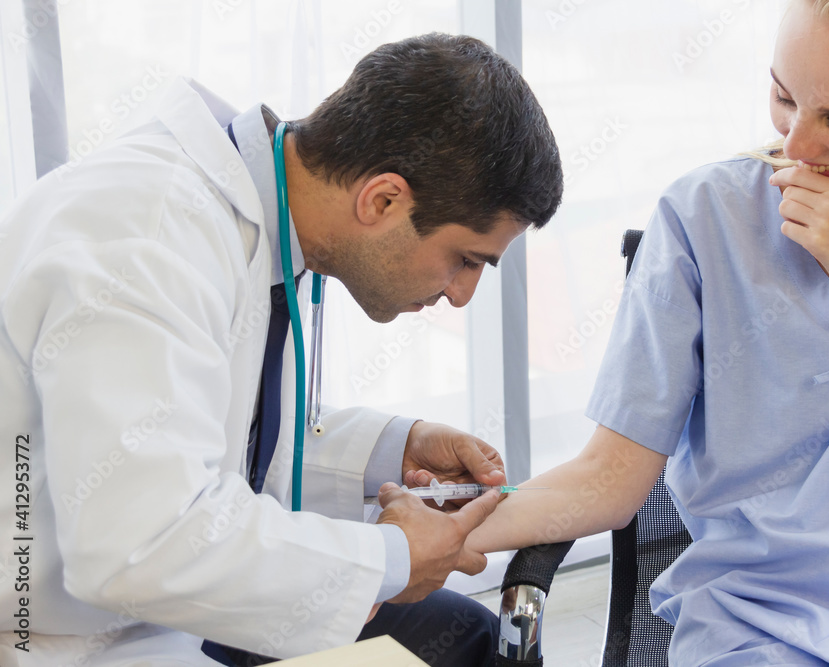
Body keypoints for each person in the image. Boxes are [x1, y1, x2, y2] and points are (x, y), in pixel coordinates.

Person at [462, 0, 829, 664]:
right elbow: (608, 475)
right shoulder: (703, 223)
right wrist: (440, 530)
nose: (796, 145)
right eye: (783, 96)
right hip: (766, 627)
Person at [0, 33, 562, 666]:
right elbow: (140, 545)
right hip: (58, 634)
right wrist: (392, 556)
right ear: (381, 199)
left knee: (464, 638)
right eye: (465, 259)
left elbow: (200, 444)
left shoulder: (261, 221)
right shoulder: (145, 240)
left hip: (153, 605)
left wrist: (393, 450)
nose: (462, 296)